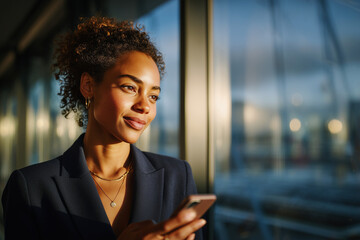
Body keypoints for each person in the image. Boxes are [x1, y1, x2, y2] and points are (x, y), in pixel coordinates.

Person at [2, 16, 205, 240]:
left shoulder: (177, 176)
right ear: (88, 86)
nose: (145, 106)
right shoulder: (31, 187)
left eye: (153, 96)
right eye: (130, 87)